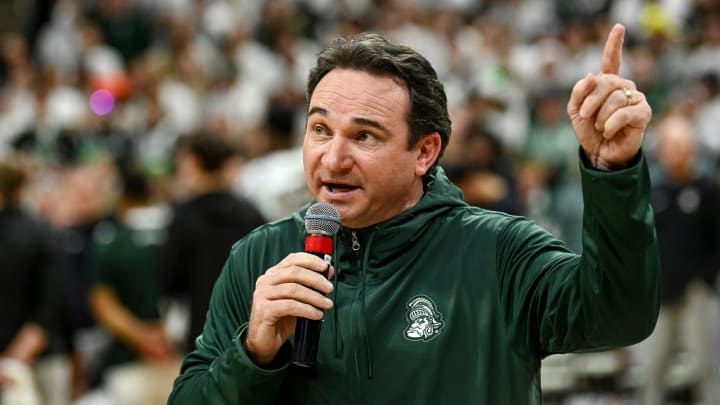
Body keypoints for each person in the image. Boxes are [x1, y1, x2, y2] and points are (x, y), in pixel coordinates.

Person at [168, 25, 659, 404]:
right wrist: (253, 354)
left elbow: (619, 316)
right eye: (320, 129)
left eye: (364, 136)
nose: (332, 158)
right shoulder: (261, 256)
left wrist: (613, 172)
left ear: (424, 152)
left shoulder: (500, 252)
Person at [638, 114, 720, 404]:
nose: (676, 153)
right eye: (670, 146)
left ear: (693, 149)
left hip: (697, 293)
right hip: (662, 295)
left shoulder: (709, 191)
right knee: (652, 368)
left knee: (705, 366)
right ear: (661, 151)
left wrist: (704, 277)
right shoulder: (656, 192)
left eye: (681, 145)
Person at [159, 134, 266, 352]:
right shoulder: (251, 213)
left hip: (203, 330)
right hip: (250, 327)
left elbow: (169, 280)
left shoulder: (183, 217)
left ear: (194, 163)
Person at [88, 167, 180, 405]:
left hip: (131, 361)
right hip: (186, 355)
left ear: (121, 197)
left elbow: (103, 304)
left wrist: (144, 339)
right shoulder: (182, 234)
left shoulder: (112, 242)